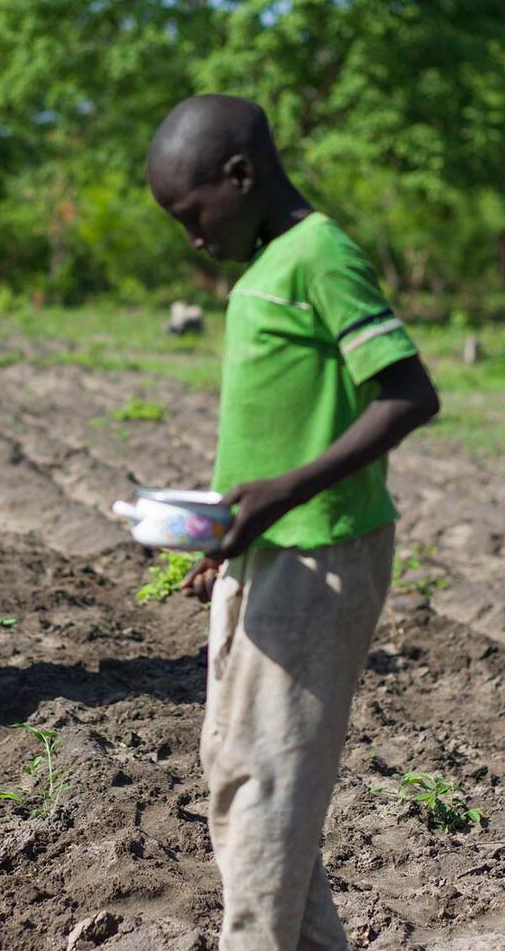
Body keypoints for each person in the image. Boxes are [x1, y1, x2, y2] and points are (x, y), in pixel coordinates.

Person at [146, 94, 441, 951]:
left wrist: (286, 492)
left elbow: (410, 394)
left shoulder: (321, 255)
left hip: (324, 553)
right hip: (266, 547)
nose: (192, 237)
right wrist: (226, 532)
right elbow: (271, 426)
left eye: (194, 214)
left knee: (265, 791)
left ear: (240, 177)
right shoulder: (269, 263)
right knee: (238, 770)